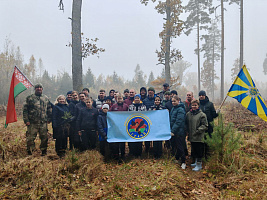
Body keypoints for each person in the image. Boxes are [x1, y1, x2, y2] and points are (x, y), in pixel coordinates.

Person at [23, 83, 52, 156]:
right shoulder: (30, 98)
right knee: (30, 138)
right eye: (37, 87)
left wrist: (49, 118)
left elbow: (49, 108)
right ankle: (30, 152)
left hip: (43, 122)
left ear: (42, 89)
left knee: (44, 138)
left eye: (40, 87)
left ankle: (44, 151)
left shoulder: (45, 98)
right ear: (35, 89)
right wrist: (26, 120)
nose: (39, 89)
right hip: (32, 122)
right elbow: (25, 110)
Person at [185, 99, 208, 171]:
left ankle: (199, 164)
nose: (194, 106)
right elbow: (186, 123)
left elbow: (205, 125)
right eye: (192, 105)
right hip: (191, 136)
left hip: (199, 136)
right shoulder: (188, 114)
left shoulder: (202, 115)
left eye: (195, 105)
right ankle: (195, 162)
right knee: (194, 149)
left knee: (199, 151)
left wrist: (198, 131)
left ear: (198, 106)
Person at [199, 90, 219, 159]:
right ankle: (201, 156)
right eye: (200, 95)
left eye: (202, 95)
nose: (201, 96)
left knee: (208, 141)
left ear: (205, 96)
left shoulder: (210, 104)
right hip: (200, 126)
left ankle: (208, 156)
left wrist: (217, 113)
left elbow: (213, 115)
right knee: (201, 141)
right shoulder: (198, 104)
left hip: (209, 126)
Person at [110, 93, 129, 161]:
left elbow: (129, 115)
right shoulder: (113, 106)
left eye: (121, 98)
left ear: (123, 99)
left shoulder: (126, 106)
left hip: (123, 127)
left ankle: (123, 156)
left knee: (122, 142)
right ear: (116, 99)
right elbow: (110, 115)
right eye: (118, 99)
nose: (120, 100)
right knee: (116, 142)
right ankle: (116, 156)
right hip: (116, 127)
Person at [170, 95, 186, 169]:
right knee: (175, 146)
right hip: (174, 131)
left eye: (174, 101)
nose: (173, 102)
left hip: (179, 132)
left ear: (178, 101)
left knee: (180, 147)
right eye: (172, 101)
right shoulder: (173, 109)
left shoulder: (181, 109)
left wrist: (173, 131)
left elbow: (178, 121)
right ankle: (177, 158)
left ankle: (183, 162)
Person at [143, 87, 156, 152]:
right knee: (147, 134)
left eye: (151, 90)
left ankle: (154, 148)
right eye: (149, 90)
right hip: (147, 120)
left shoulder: (156, 99)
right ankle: (147, 148)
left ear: (153, 92)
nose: (150, 92)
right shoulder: (145, 100)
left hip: (154, 120)